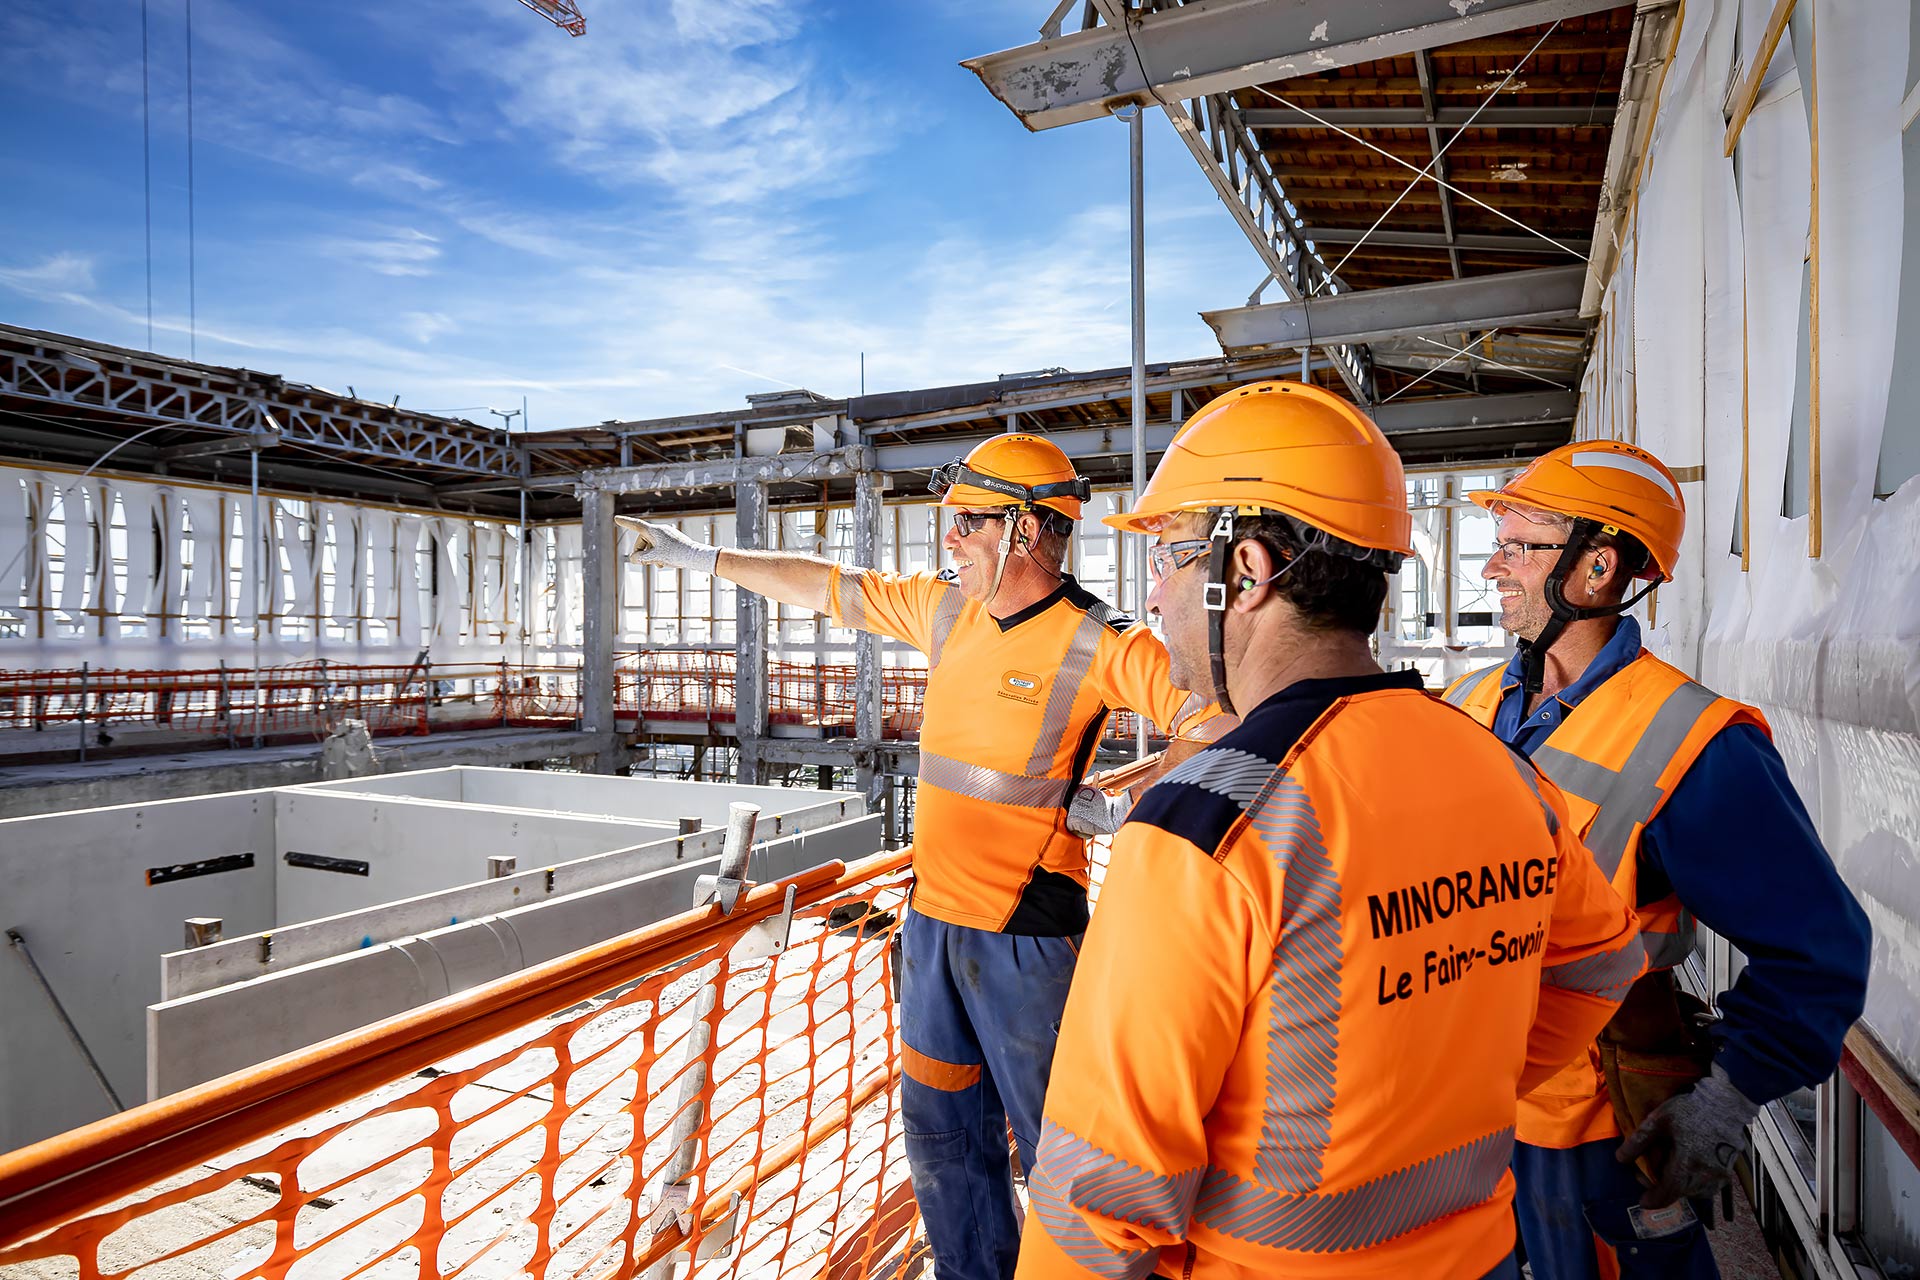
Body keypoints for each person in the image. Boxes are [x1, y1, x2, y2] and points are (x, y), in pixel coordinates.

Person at [1016, 381, 1645, 1280]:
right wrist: (1443, 1097)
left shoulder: (1208, 826)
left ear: (1249, 569)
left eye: (1174, 556)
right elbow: (1600, 966)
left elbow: (1096, 1197)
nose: (1154, 595)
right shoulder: (1505, 773)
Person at [618, 432, 1218, 1280]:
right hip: (932, 926)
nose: (952, 539)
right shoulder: (948, 610)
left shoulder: (1100, 641)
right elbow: (826, 587)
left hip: (1026, 935)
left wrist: (1132, 806)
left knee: (1062, 1149)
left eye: (968, 522)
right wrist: (703, 555)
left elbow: (1213, 720)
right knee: (943, 1140)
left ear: (1023, 530)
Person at [1442, 440, 1871, 1278]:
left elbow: (1820, 953)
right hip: (1463, 1108)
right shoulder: (1467, 705)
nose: (1493, 566)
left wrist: (1728, 1091)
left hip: (1591, 1129)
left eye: (1517, 546)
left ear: (1596, 567)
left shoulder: (1694, 742)